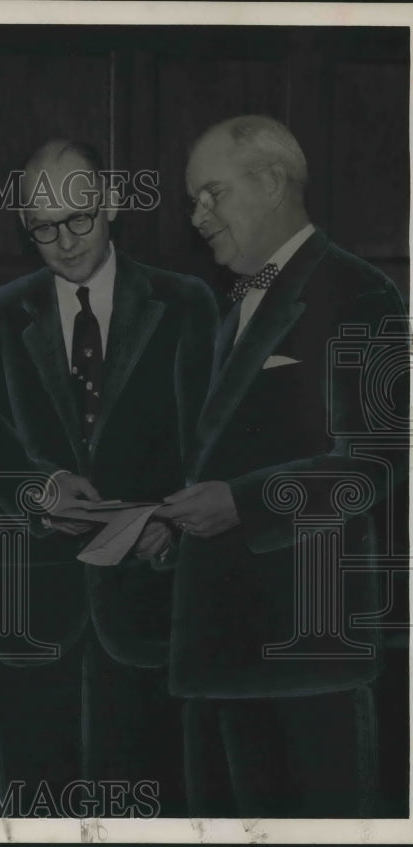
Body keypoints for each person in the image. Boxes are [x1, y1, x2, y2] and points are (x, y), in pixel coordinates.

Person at [157, 115, 407, 817]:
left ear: (270, 183)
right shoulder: (232, 304)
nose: (198, 215)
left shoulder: (361, 292)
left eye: (211, 194)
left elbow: (381, 458)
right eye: (192, 200)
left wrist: (241, 502)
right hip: (218, 657)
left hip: (306, 660)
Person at [0, 139, 218, 815]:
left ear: (110, 204)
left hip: (147, 604)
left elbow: (213, 440)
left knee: (152, 809)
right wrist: (37, 489)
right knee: (29, 813)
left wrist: (172, 522)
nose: (65, 241)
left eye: (79, 218)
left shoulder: (187, 302)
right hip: (33, 614)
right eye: (43, 229)